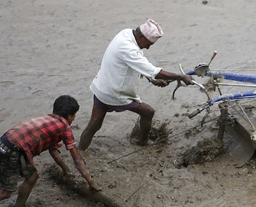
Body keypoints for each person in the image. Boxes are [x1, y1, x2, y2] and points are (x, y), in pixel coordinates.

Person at [0, 95, 98, 207]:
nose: (74, 119)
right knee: (4, 193)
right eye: (74, 116)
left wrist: (66, 170)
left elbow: (53, 151)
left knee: (32, 176)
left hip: (4, 142)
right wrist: (91, 183)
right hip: (15, 150)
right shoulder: (64, 127)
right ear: (69, 116)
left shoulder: (48, 120)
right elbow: (78, 159)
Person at [79, 19, 193, 150]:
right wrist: (181, 76)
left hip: (102, 87)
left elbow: (135, 64)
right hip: (115, 93)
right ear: (140, 36)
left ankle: (80, 150)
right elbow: (152, 70)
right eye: (148, 44)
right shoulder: (128, 49)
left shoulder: (125, 33)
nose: (148, 47)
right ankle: (143, 142)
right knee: (148, 112)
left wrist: (151, 79)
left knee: (94, 124)